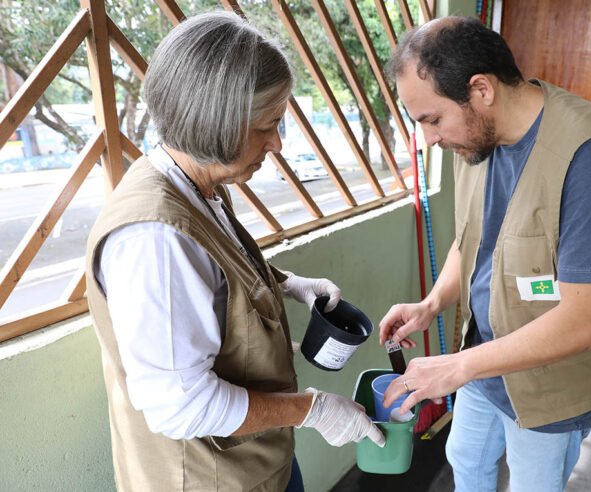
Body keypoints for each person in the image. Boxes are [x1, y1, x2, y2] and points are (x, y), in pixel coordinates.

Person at [84, 11, 383, 492]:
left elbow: (216, 269)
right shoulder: (155, 241)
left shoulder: (197, 185)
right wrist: (313, 409)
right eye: (268, 125)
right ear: (216, 122)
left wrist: (288, 285)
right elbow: (182, 405)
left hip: (258, 459)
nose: (278, 143)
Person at [379, 16, 591, 492]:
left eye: (432, 119)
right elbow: (471, 243)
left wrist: (454, 367)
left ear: (481, 90)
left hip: (555, 376)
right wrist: (432, 305)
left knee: (534, 481)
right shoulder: (475, 141)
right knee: (465, 459)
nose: (430, 138)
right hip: (485, 358)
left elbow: (587, 322)